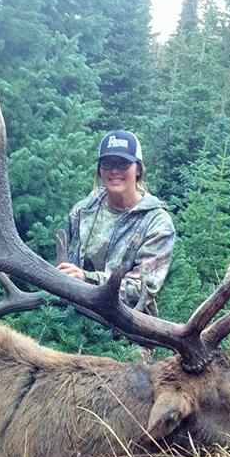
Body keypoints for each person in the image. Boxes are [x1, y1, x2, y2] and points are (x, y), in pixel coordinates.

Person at [57, 130, 175, 318]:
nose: (114, 170)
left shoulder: (157, 223)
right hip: (73, 319)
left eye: (123, 163)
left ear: (138, 169)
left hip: (127, 331)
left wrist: (86, 279)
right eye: (107, 163)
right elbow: (64, 266)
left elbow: (142, 290)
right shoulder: (82, 210)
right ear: (99, 169)